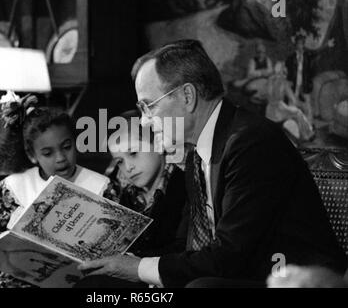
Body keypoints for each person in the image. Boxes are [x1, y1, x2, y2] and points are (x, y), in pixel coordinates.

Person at [78, 39, 347, 288]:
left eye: (149, 106)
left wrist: (138, 268)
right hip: (231, 272)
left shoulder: (251, 142)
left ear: (187, 96)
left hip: (293, 280)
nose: (146, 121)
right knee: (98, 284)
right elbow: (186, 245)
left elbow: (230, 255)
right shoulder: (197, 152)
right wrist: (126, 261)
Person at [0, 94, 109, 288]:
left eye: (66, 147)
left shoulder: (100, 185)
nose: (60, 158)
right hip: (24, 276)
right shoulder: (14, 187)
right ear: (32, 155)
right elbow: (3, 243)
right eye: (48, 153)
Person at [75, 110, 187, 288]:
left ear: (158, 144)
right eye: (120, 161)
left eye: (133, 153)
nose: (128, 167)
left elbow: (186, 247)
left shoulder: (184, 184)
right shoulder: (122, 193)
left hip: (167, 276)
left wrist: (134, 260)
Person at [265, 61, 314, 142]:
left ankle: (303, 134)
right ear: (282, 70)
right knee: (298, 112)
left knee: (292, 110)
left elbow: (267, 96)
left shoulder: (270, 80)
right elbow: (294, 101)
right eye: (284, 69)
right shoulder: (284, 82)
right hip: (279, 111)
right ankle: (308, 135)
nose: (286, 71)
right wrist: (304, 104)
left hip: (269, 111)